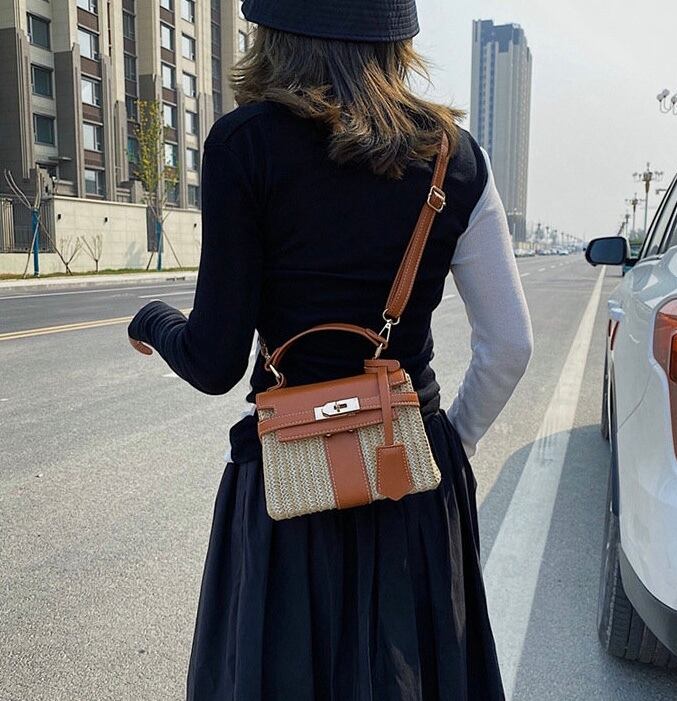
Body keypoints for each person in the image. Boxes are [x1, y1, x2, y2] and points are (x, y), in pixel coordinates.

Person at [128, 1, 533, 698]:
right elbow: (510, 345)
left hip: (292, 488)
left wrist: (152, 319)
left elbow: (214, 360)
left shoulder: (243, 143)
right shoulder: (453, 155)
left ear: (273, 30)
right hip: (409, 476)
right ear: (395, 37)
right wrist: (445, 444)